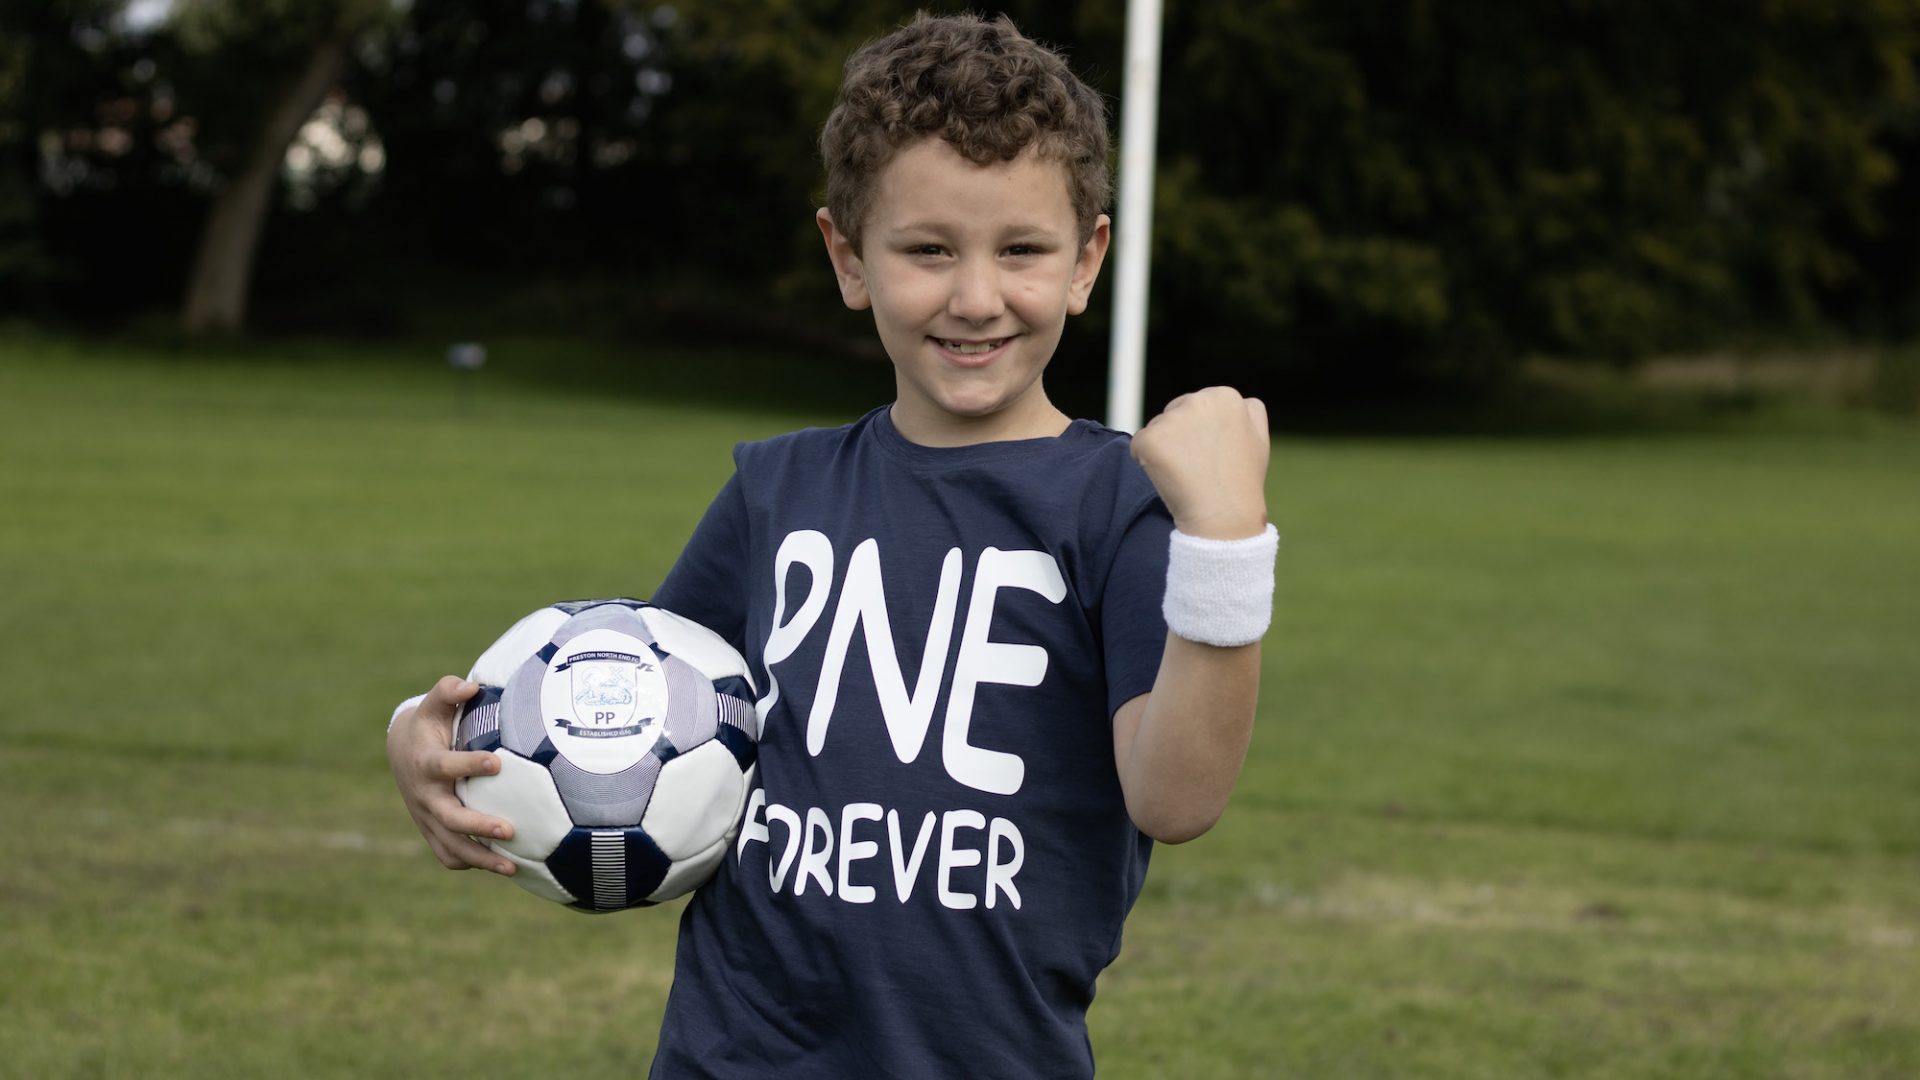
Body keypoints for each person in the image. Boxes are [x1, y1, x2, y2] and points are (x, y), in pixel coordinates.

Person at [387, 13, 1275, 1078]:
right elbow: (616, 706)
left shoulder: (1115, 506)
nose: (977, 296)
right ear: (849, 257)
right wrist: (423, 733)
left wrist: (1225, 543)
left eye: (1023, 250)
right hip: (736, 1053)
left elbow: (1177, 799)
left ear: (1088, 262)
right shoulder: (777, 491)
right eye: (929, 249)